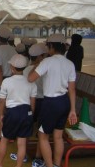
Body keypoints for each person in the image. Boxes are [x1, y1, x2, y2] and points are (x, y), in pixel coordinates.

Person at [28, 34, 78, 167]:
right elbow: (72, 90)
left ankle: (50, 165)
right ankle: (56, 164)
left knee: (42, 136)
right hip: (64, 102)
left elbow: (30, 78)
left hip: (51, 103)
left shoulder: (47, 62)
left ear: (51, 46)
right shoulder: (70, 64)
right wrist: (73, 110)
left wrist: (37, 63)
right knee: (58, 137)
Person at [0, 54, 37, 167]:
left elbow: (2, 102)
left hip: (12, 113)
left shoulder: (6, 82)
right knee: (22, 143)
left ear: (12, 68)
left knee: (4, 140)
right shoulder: (31, 82)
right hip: (26, 112)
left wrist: (1, 115)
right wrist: (30, 115)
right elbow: (33, 103)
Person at [10, 43, 48, 166]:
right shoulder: (46, 69)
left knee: (25, 130)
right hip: (43, 101)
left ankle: (23, 154)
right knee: (41, 131)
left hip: (27, 103)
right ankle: (37, 158)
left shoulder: (25, 70)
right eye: (43, 55)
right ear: (39, 57)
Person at [0, 27, 17, 145]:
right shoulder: (13, 50)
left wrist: (1, 86)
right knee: (10, 107)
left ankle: (3, 135)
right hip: (12, 79)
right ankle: (11, 133)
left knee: (0, 108)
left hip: (1, 80)